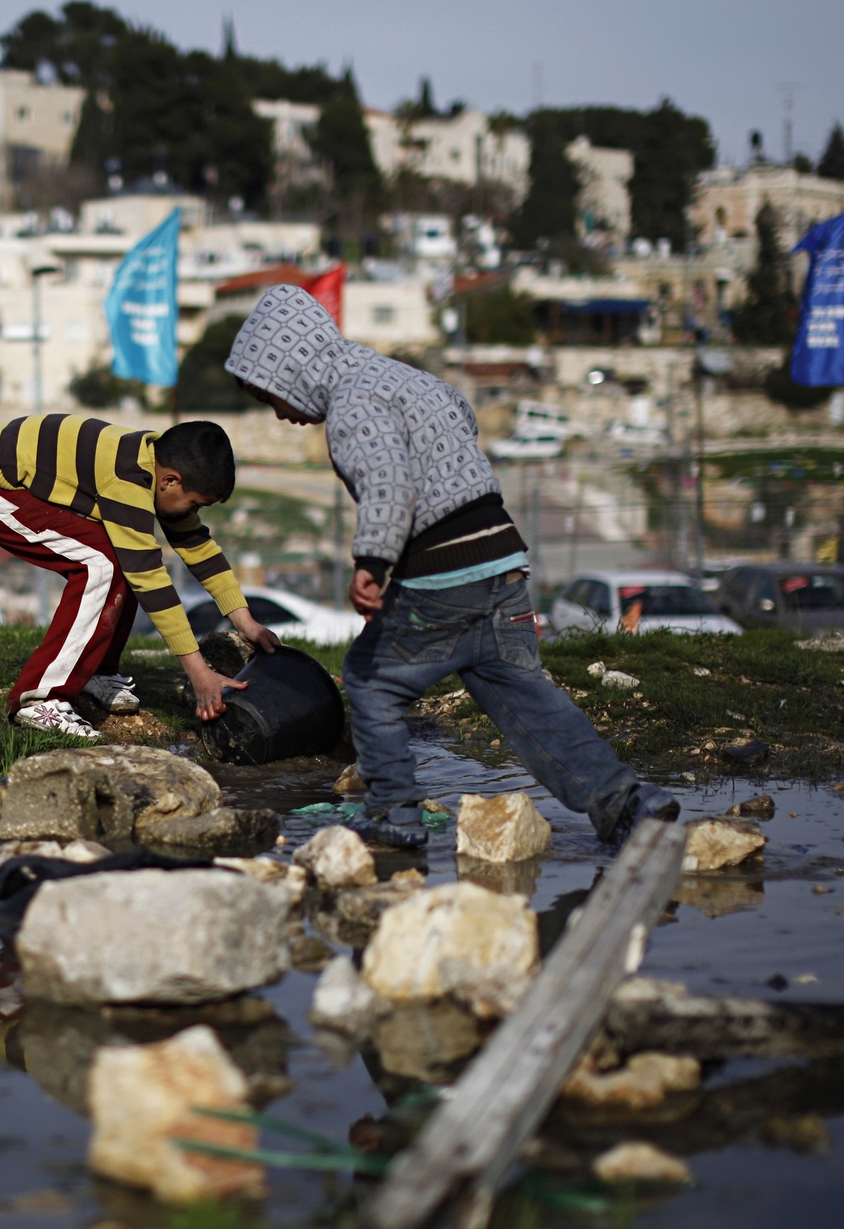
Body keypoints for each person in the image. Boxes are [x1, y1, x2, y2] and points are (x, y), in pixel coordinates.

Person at [224, 285, 678, 849]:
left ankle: (393, 813)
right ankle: (629, 802)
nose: (279, 413)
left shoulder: (351, 405)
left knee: (370, 680)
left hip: (444, 572)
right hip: (503, 561)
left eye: (272, 396)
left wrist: (373, 562)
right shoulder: (403, 377)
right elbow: (461, 420)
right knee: (524, 696)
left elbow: (390, 481)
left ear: (291, 369)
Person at [0, 415, 279, 740]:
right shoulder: (128, 480)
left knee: (118, 558)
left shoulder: (157, 466)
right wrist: (198, 671)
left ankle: (97, 670)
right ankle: (40, 697)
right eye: (194, 504)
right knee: (101, 565)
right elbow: (149, 579)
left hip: (22, 487)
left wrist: (244, 621)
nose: (192, 513)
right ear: (170, 481)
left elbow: (198, 548)